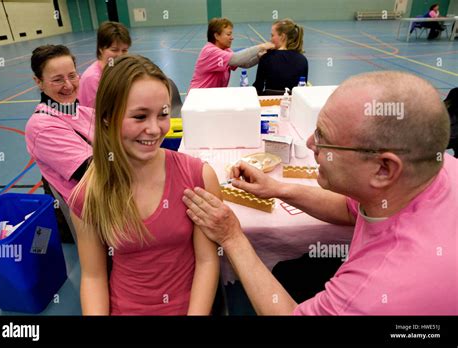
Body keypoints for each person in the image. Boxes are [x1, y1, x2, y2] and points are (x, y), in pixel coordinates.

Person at [183, 71, 457, 315]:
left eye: (325, 138)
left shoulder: (375, 290)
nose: (311, 143)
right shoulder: (435, 168)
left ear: (383, 169)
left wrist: (232, 237)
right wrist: (278, 189)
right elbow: (350, 209)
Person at [69, 55, 221, 315]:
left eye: (162, 114)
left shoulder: (198, 177)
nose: (154, 129)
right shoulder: (88, 194)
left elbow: (207, 261)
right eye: (140, 117)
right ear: (107, 118)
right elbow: (93, 277)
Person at [25, 44, 95, 242]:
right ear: (39, 82)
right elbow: (91, 173)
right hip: (88, 216)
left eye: (72, 75)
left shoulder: (83, 112)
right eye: (57, 80)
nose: (69, 85)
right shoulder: (41, 127)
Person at [189, 17, 274, 90]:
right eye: (228, 34)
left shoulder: (225, 50)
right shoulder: (210, 51)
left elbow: (245, 64)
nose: (232, 37)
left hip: (212, 97)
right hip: (198, 99)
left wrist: (260, 57)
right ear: (216, 36)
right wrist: (261, 47)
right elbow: (236, 59)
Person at [78, 21, 131, 108]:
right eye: (114, 50)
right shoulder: (92, 78)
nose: (120, 55)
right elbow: (96, 114)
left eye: (124, 50)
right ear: (101, 49)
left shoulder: (121, 70)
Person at [253, 19, 308, 95]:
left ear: (282, 36)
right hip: (293, 103)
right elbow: (302, 89)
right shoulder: (302, 60)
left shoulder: (266, 58)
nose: (270, 39)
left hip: (270, 103)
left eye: (272, 35)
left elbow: (258, 88)